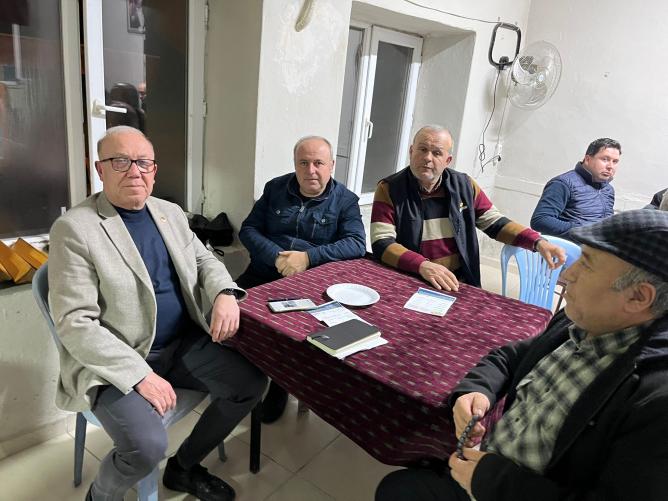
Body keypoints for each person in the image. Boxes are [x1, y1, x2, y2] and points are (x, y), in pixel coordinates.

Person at [376, 209, 668, 501]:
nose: (567, 274)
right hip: (490, 466)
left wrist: (494, 481)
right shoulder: (580, 321)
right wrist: (477, 389)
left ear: (638, 297)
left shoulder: (655, 401)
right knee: (398, 487)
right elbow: (511, 356)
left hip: (504, 487)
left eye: (587, 264)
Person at [48, 126, 266, 501]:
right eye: (121, 161)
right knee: (146, 447)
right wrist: (139, 375)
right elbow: (75, 323)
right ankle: (100, 496)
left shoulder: (169, 212)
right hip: (119, 361)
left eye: (143, 162)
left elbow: (204, 260)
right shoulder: (75, 229)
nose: (135, 171)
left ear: (154, 169)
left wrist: (225, 292)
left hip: (180, 345)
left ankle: (183, 468)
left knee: (250, 385)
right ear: (100, 170)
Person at [238, 135, 366, 423]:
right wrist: (276, 257)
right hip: (262, 274)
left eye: (318, 163)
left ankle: (280, 382)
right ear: (295, 164)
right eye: (303, 163)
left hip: (308, 285)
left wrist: (307, 258)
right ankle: (243, 375)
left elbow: (357, 243)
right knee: (225, 311)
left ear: (331, 165)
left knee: (290, 335)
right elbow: (248, 230)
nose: (311, 170)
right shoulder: (275, 188)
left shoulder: (345, 200)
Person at [371, 125, 564, 292]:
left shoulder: (464, 186)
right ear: (411, 151)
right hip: (411, 278)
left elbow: (495, 223)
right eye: (422, 149)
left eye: (437, 153)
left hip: (459, 281)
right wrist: (422, 266)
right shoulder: (390, 188)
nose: (427, 158)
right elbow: (382, 242)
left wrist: (537, 241)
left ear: (447, 160)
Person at [531, 138, 621, 237]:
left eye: (615, 161)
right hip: (568, 246)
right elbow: (540, 220)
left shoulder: (608, 190)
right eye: (605, 159)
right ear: (588, 159)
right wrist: (583, 231)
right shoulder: (563, 184)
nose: (610, 166)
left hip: (596, 246)